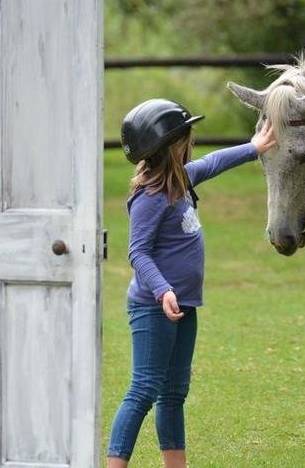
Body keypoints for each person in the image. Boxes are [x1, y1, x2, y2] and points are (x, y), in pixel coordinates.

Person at [107, 99, 276, 467]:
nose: (191, 141)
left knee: (173, 393)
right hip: (154, 308)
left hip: (185, 305)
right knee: (144, 389)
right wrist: (163, 289)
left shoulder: (181, 180)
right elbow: (138, 254)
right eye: (186, 136)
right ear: (172, 145)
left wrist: (254, 148)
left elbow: (214, 163)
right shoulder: (149, 199)